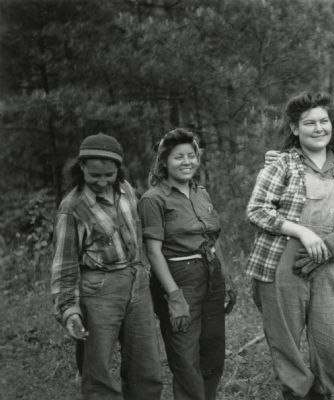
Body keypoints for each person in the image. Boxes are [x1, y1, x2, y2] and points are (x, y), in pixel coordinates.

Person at [246, 92, 334, 400]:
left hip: (331, 263)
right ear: (295, 129)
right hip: (282, 259)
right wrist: (304, 234)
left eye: (324, 121)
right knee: (286, 344)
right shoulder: (282, 164)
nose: (319, 128)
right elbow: (257, 209)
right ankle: (297, 394)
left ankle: (322, 392)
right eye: (309, 123)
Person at [50, 133, 163, 400]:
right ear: (81, 169)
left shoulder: (128, 191)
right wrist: (69, 311)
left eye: (108, 175)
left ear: (118, 170)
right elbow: (64, 265)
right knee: (98, 372)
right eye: (94, 176)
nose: (102, 182)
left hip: (137, 283)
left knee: (146, 366)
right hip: (98, 290)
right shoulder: (72, 207)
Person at [138, 128, 235, 400]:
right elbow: (154, 252)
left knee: (213, 351)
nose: (186, 162)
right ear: (164, 162)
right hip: (179, 278)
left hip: (211, 276)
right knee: (185, 356)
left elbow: (214, 239)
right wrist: (174, 296)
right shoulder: (153, 199)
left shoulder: (201, 193)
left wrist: (225, 280)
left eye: (191, 155)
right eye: (178, 157)